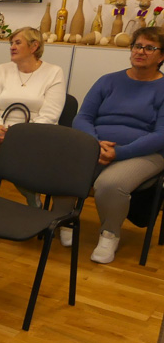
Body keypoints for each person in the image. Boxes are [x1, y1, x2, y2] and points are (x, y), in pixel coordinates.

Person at [62, 27, 164, 263]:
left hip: (146, 152)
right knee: (64, 167)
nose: (141, 51)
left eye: (150, 48)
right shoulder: (108, 81)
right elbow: (83, 117)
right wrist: (96, 144)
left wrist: (120, 152)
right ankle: (65, 219)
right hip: (98, 146)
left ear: (161, 57)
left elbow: (161, 134)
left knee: (110, 184)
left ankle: (109, 235)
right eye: (137, 46)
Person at [0, 27, 66, 206]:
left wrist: (18, 134)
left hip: (34, 136)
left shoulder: (54, 72)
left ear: (34, 46)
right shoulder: (1, 70)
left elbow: (50, 114)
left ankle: (33, 201)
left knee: (19, 171)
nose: (12, 47)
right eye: (11, 43)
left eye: (18, 43)